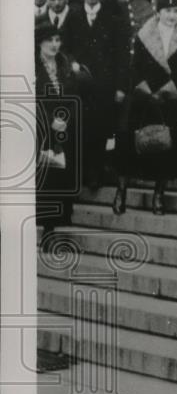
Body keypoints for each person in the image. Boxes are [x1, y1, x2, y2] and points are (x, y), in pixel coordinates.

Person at [112, 0, 177, 216]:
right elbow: (135, 65)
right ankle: (121, 192)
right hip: (144, 97)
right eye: (167, 11)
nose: (172, 15)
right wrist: (147, 90)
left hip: (170, 99)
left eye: (176, 11)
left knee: (167, 149)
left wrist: (170, 91)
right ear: (158, 12)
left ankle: (159, 195)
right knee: (129, 145)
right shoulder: (144, 35)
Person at [61, 0, 129, 190]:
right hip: (80, 85)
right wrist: (71, 64)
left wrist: (120, 87)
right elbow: (64, 47)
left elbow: (121, 54)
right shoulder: (74, 15)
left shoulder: (113, 16)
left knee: (100, 130)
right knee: (78, 128)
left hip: (104, 85)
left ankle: (95, 174)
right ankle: (78, 173)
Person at [35, 23, 89, 239]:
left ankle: (55, 225)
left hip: (62, 131)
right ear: (40, 41)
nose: (55, 45)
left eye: (58, 40)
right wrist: (49, 121)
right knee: (45, 181)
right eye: (50, 40)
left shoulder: (65, 64)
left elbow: (75, 95)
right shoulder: (32, 66)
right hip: (40, 131)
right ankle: (47, 231)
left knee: (58, 180)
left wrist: (64, 119)